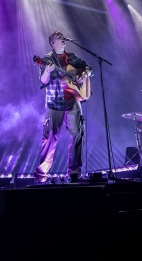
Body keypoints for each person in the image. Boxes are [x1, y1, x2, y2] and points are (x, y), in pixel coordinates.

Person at [33, 31, 93, 184]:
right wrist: (47, 70)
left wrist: (83, 75)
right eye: (58, 37)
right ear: (53, 43)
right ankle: (41, 174)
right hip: (55, 102)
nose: (62, 38)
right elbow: (44, 81)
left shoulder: (71, 57)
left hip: (72, 100)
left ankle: (74, 172)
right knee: (51, 137)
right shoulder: (46, 59)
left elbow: (88, 68)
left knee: (78, 133)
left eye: (62, 36)